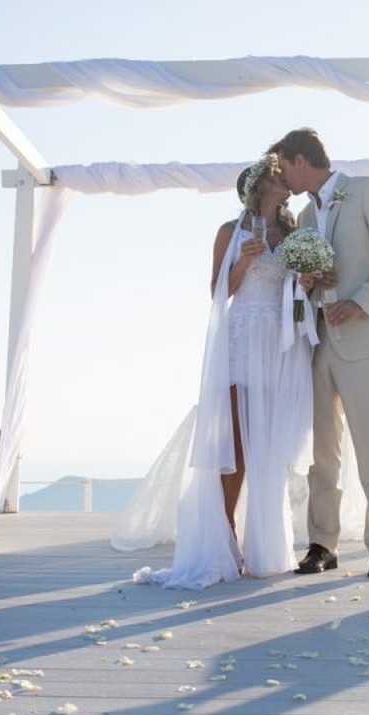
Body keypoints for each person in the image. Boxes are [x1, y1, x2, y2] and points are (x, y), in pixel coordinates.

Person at [125, 154, 316, 588]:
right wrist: (244, 264)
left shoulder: (291, 232)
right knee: (235, 445)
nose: (285, 179)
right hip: (243, 338)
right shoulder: (229, 232)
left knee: (269, 445)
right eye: (276, 175)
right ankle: (225, 534)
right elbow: (217, 292)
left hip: (280, 342)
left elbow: (294, 286)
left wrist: (302, 282)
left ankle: (264, 545)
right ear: (258, 186)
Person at [268, 128, 369, 579]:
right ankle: (321, 543)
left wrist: (363, 301)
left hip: (366, 337)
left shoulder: (366, 190)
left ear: (299, 160)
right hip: (319, 342)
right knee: (321, 452)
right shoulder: (307, 217)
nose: (283, 179)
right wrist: (309, 286)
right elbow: (305, 281)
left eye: (283, 167)